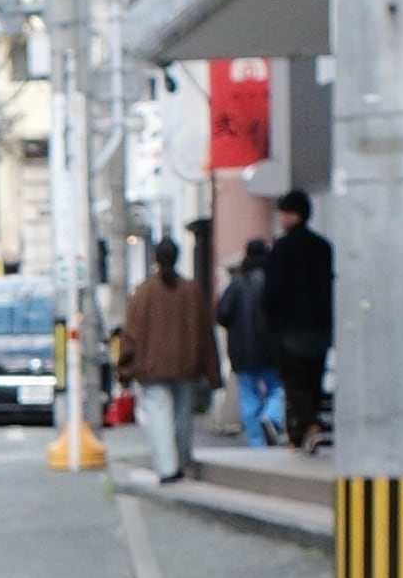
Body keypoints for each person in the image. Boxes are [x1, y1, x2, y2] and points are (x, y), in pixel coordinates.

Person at [117, 233, 219, 482]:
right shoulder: (192, 290)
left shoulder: (143, 292)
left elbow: (130, 334)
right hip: (187, 365)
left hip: (152, 367)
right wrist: (213, 373)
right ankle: (182, 460)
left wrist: (125, 371)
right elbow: (205, 333)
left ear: (154, 258)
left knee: (159, 413)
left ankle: (167, 467)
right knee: (182, 414)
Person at [256, 186, 335, 450]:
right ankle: (299, 435)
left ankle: (309, 427)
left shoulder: (283, 248)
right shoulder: (324, 247)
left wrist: (269, 318)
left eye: (283, 213)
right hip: (321, 325)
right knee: (313, 379)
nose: (280, 218)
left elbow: (273, 290)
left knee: (294, 381)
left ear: (294, 215)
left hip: (290, 326)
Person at [215, 240, 281, 448]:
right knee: (277, 389)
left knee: (248, 394)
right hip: (272, 349)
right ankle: (271, 416)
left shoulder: (237, 284)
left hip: (242, 350)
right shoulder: (273, 281)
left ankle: (256, 441)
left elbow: (222, 314)